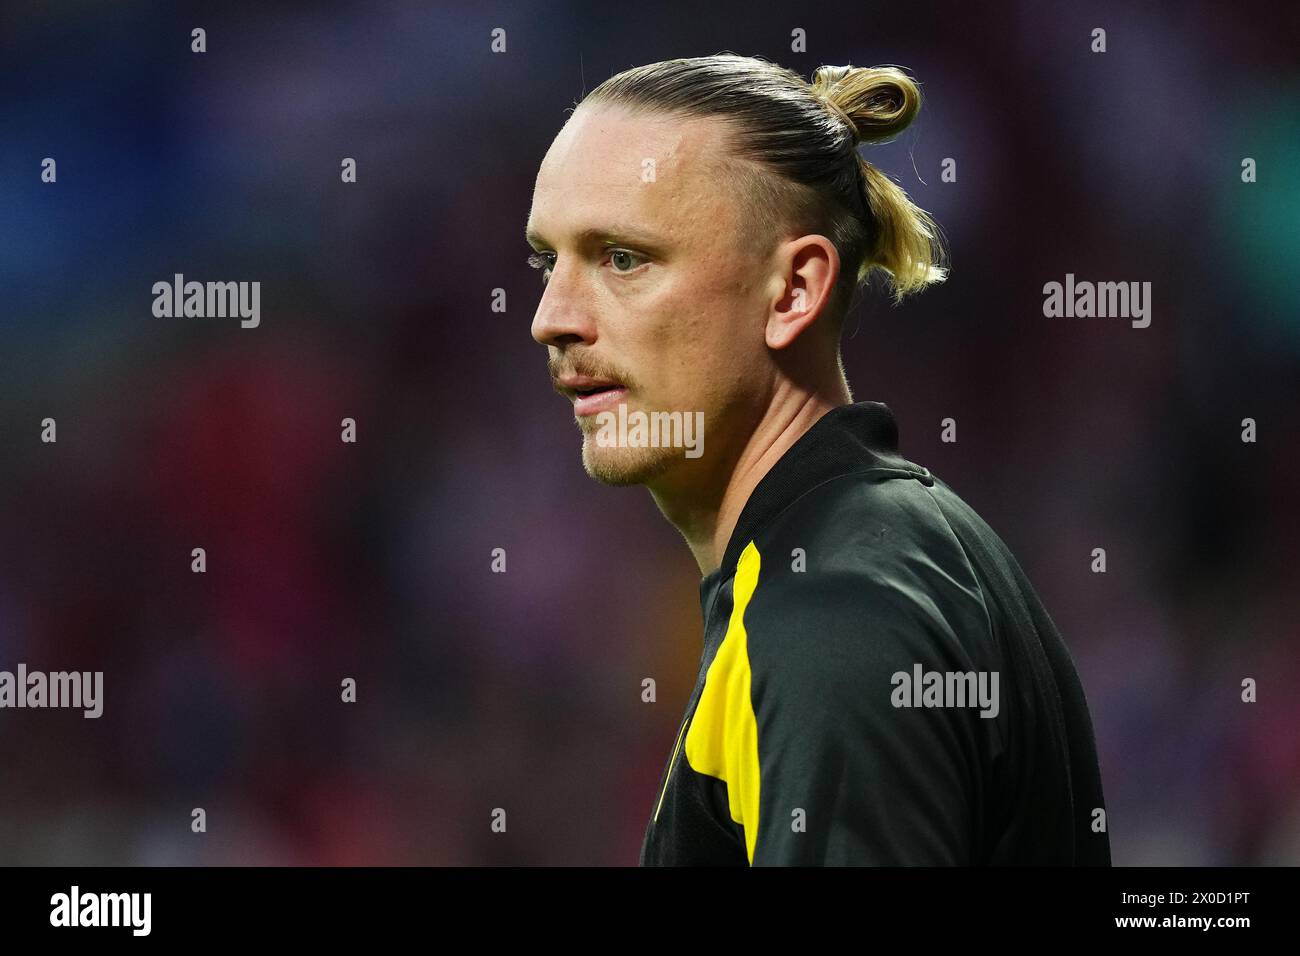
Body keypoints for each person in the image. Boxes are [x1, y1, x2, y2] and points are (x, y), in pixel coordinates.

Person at [526, 53, 1111, 865]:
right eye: (544, 261)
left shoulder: (831, 618)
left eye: (623, 258)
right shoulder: (863, 560)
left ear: (794, 291)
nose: (551, 318)